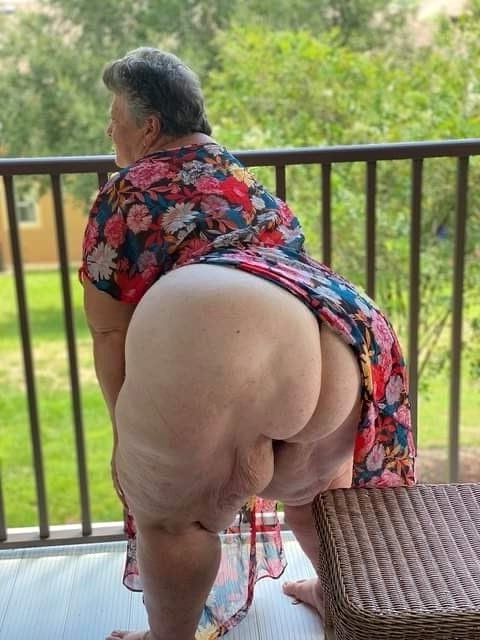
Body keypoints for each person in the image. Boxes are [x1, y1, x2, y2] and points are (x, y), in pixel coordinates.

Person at [80, 47, 416, 640]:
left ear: (149, 128)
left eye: (115, 121)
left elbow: (110, 329)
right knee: (319, 495)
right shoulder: (238, 175)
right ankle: (339, 598)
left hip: (224, 332)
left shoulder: (125, 190)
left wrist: (125, 432)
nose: (111, 133)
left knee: (175, 523)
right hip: (341, 329)